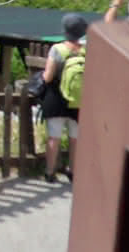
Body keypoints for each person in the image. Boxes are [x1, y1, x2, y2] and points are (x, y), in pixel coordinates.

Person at [41, 12, 87, 182]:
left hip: (56, 99)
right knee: (75, 138)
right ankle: (73, 171)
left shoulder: (57, 49)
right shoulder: (85, 51)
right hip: (78, 101)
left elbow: (48, 77)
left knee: (54, 137)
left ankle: (50, 172)